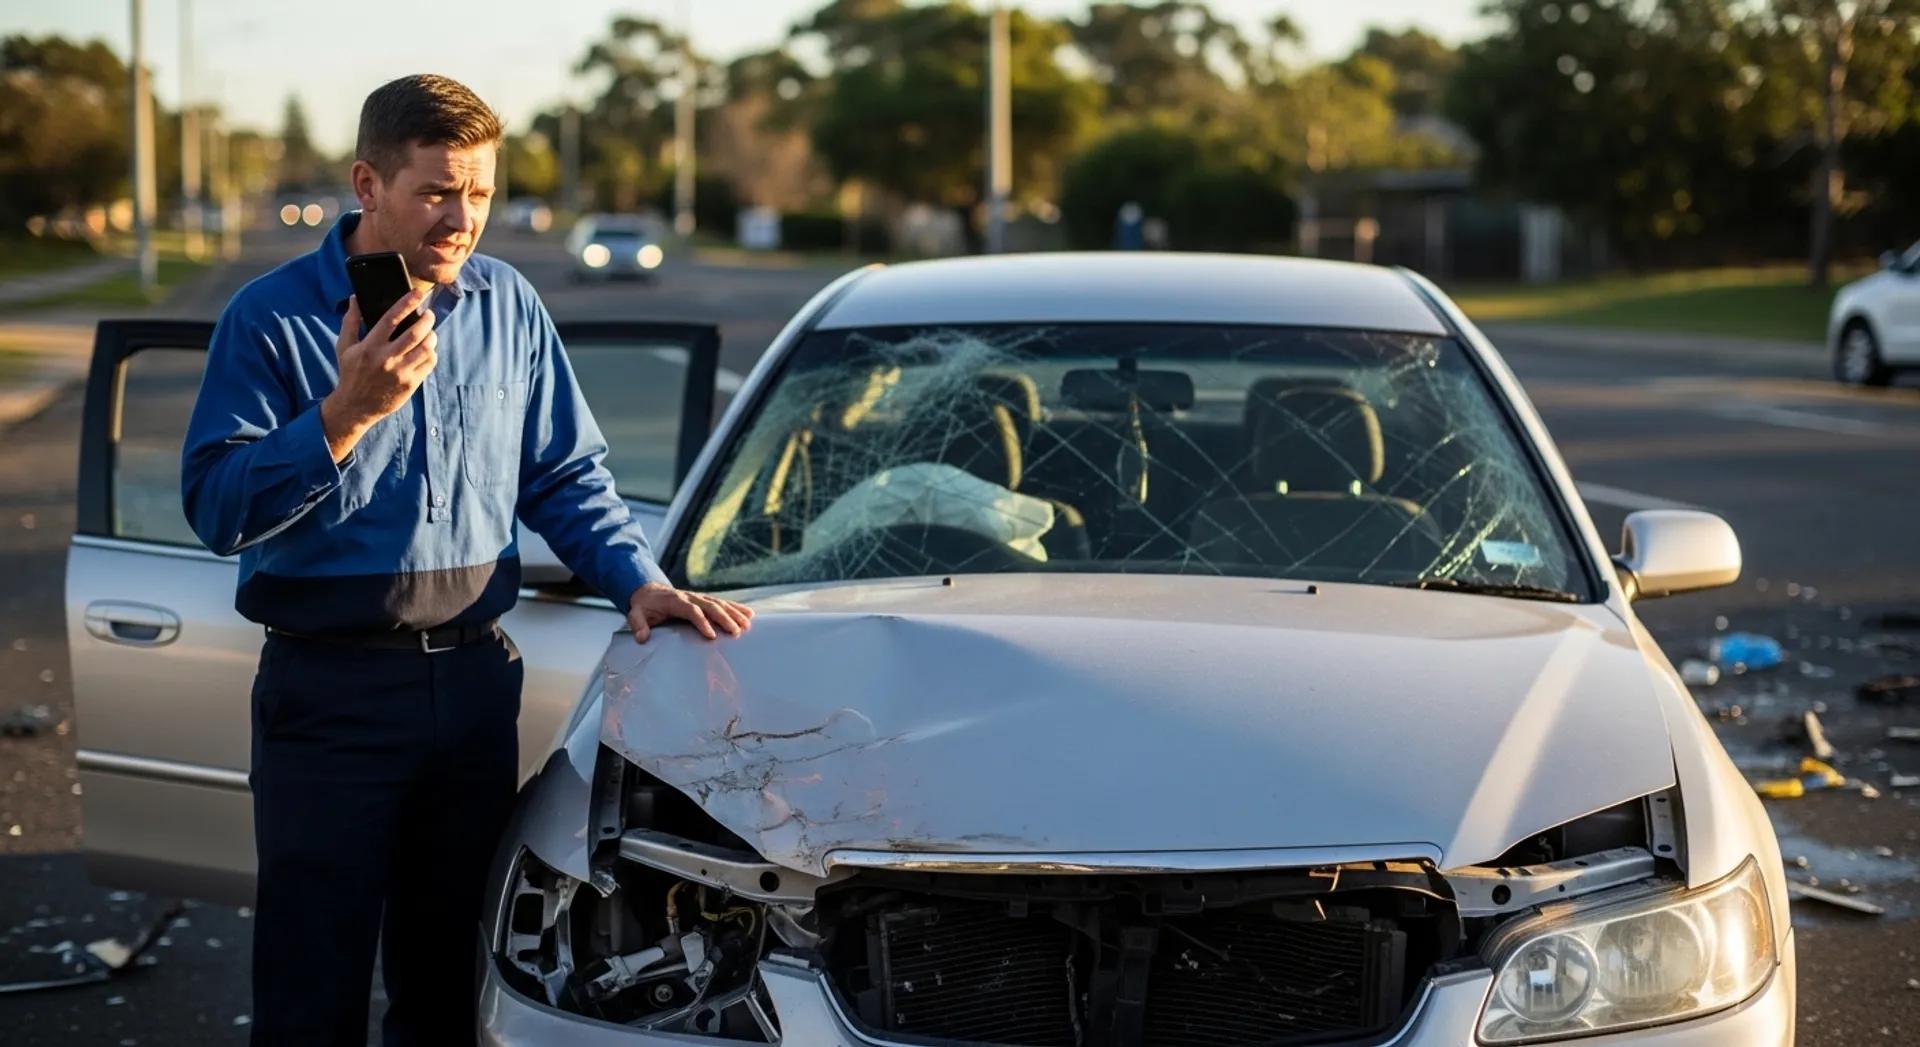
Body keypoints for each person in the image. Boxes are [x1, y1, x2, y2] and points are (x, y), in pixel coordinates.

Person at [179, 73, 753, 1045]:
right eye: (437, 192)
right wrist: (344, 416)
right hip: (329, 700)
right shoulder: (270, 318)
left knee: (452, 984)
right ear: (369, 182)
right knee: (309, 989)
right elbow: (216, 509)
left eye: (478, 193)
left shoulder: (509, 303)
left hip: (479, 691)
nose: (462, 218)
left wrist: (638, 582)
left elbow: (565, 474)